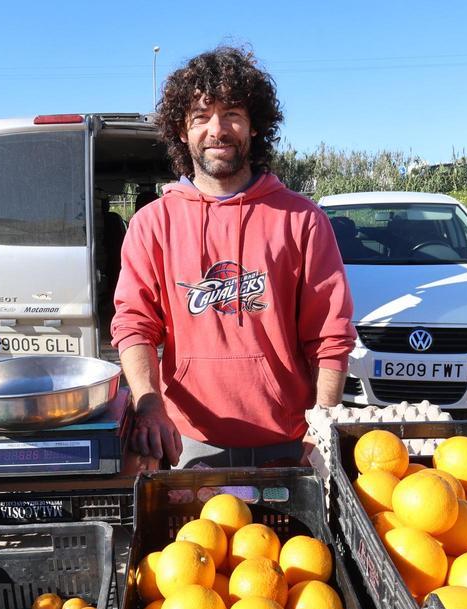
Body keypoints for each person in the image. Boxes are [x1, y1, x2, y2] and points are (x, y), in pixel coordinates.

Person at [111, 46, 355, 468]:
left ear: (254, 127)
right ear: (182, 131)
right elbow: (134, 324)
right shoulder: (153, 223)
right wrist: (149, 404)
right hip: (189, 441)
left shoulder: (302, 219)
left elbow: (330, 336)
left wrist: (323, 428)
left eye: (233, 115)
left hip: (290, 441)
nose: (217, 129)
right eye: (201, 117)